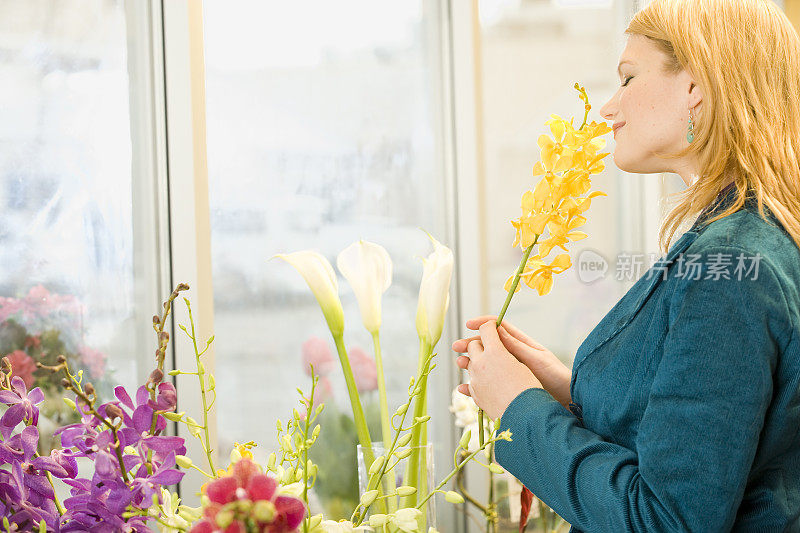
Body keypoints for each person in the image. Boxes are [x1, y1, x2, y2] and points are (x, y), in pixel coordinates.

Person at [451, 0, 800, 530]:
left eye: (629, 78)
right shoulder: (752, 241)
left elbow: (667, 519)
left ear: (696, 86)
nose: (609, 108)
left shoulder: (729, 264)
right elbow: (719, 426)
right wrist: (573, 391)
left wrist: (517, 406)